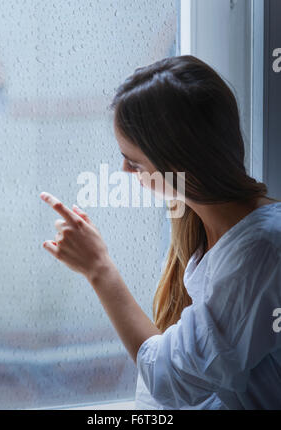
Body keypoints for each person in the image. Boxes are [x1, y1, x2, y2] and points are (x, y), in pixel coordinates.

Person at [40, 55, 281, 410]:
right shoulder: (212, 232)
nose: (123, 170)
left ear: (178, 163)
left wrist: (99, 269)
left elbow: (169, 379)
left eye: (133, 162)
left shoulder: (261, 250)